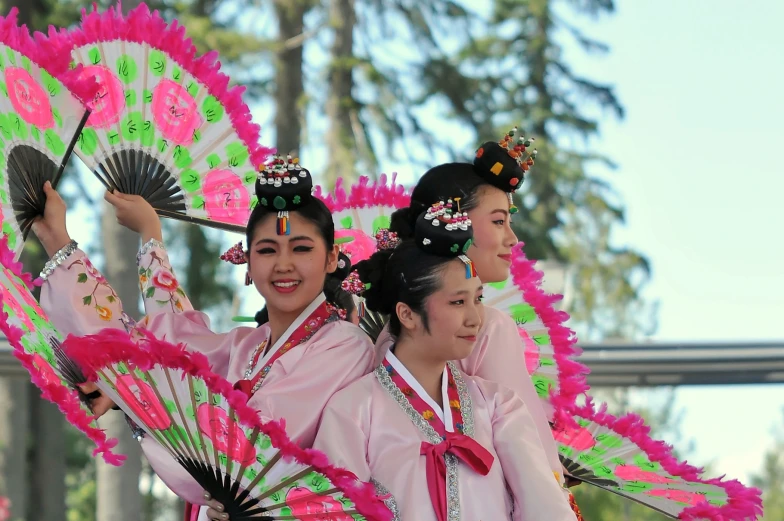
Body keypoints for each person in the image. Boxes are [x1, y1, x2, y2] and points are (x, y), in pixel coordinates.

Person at [32, 155, 375, 520]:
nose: (284, 264)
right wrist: (134, 237)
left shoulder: (345, 346)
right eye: (267, 249)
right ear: (247, 261)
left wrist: (135, 393)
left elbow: (249, 445)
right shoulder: (247, 345)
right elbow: (171, 345)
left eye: (302, 248)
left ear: (331, 257)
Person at [312, 199, 578, 520]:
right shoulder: (352, 410)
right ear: (407, 314)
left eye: (477, 299)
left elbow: (544, 508)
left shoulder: (498, 405)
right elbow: (333, 511)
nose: (475, 318)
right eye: (457, 302)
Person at [372, 129, 578, 492]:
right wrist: (555, 481)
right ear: (454, 222)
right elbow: (527, 456)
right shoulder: (489, 327)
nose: (512, 238)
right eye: (499, 221)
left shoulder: (393, 325)